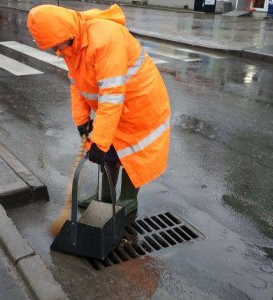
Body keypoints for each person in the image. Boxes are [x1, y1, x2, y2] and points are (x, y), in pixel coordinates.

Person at [27, 4, 171, 215]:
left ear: (66, 33)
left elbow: (112, 97)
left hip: (140, 102)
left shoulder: (105, 38)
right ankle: (104, 196)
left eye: (56, 46)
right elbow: (77, 83)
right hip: (114, 102)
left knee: (134, 151)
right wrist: (81, 121)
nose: (56, 51)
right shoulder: (71, 44)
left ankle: (128, 199)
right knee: (109, 150)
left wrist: (99, 142)